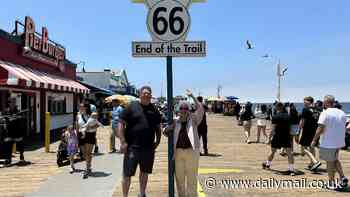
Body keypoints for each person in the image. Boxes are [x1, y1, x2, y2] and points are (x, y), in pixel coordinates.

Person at [118, 86, 162, 197]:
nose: (146, 95)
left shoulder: (154, 109)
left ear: (151, 96)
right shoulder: (131, 106)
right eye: (144, 93)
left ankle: (142, 194)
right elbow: (120, 122)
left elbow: (158, 126)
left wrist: (158, 140)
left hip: (148, 148)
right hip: (132, 147)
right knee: (127, 174)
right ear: (140, 94)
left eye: (149, 93)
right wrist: (123, 141)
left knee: (144, 172)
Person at [163, 89, 204, 197]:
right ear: (178, 110)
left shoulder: (194, 119)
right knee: (179, 177)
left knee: (192, 177)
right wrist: (168, 128)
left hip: (192, 152)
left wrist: (192, 96)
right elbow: (165, 131)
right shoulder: (175, 120)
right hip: (178, 153)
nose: (184, 110)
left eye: (186, 108)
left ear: (189, 110)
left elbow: (200, 109)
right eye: (181, 108)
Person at [311, 95, 348, 190]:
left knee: (330, 163)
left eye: (324, 101)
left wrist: (314, 140)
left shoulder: (325, 113)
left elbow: (320, 128)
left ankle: (331, 183)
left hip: (328, 142)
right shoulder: (342, 112)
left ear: (327, 103)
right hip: (339, 141)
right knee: (335, 159)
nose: (323, 103)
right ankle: (342, 177)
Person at [262, 102, 295, 176]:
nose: (274, 108)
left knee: (272, 152)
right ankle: (291, 170)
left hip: (277, 136)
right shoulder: (288, 116)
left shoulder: (275, 116)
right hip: (286, 136)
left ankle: (267, 164)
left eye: (275, 107)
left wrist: (269, 139)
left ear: (277, 107)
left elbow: (272, 129)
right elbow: (290, 127)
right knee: (289, 153)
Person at [298, 97, 322, 171]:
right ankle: (312, 164)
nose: (304, 103)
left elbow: (302, 121)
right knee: (312, 147)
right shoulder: (317, 109)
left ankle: (315, 162)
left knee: (303, 148)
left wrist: (298, 130)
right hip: (315, 131)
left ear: (309, 101)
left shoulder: (305, 109)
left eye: (305, 101)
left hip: (307, 131)